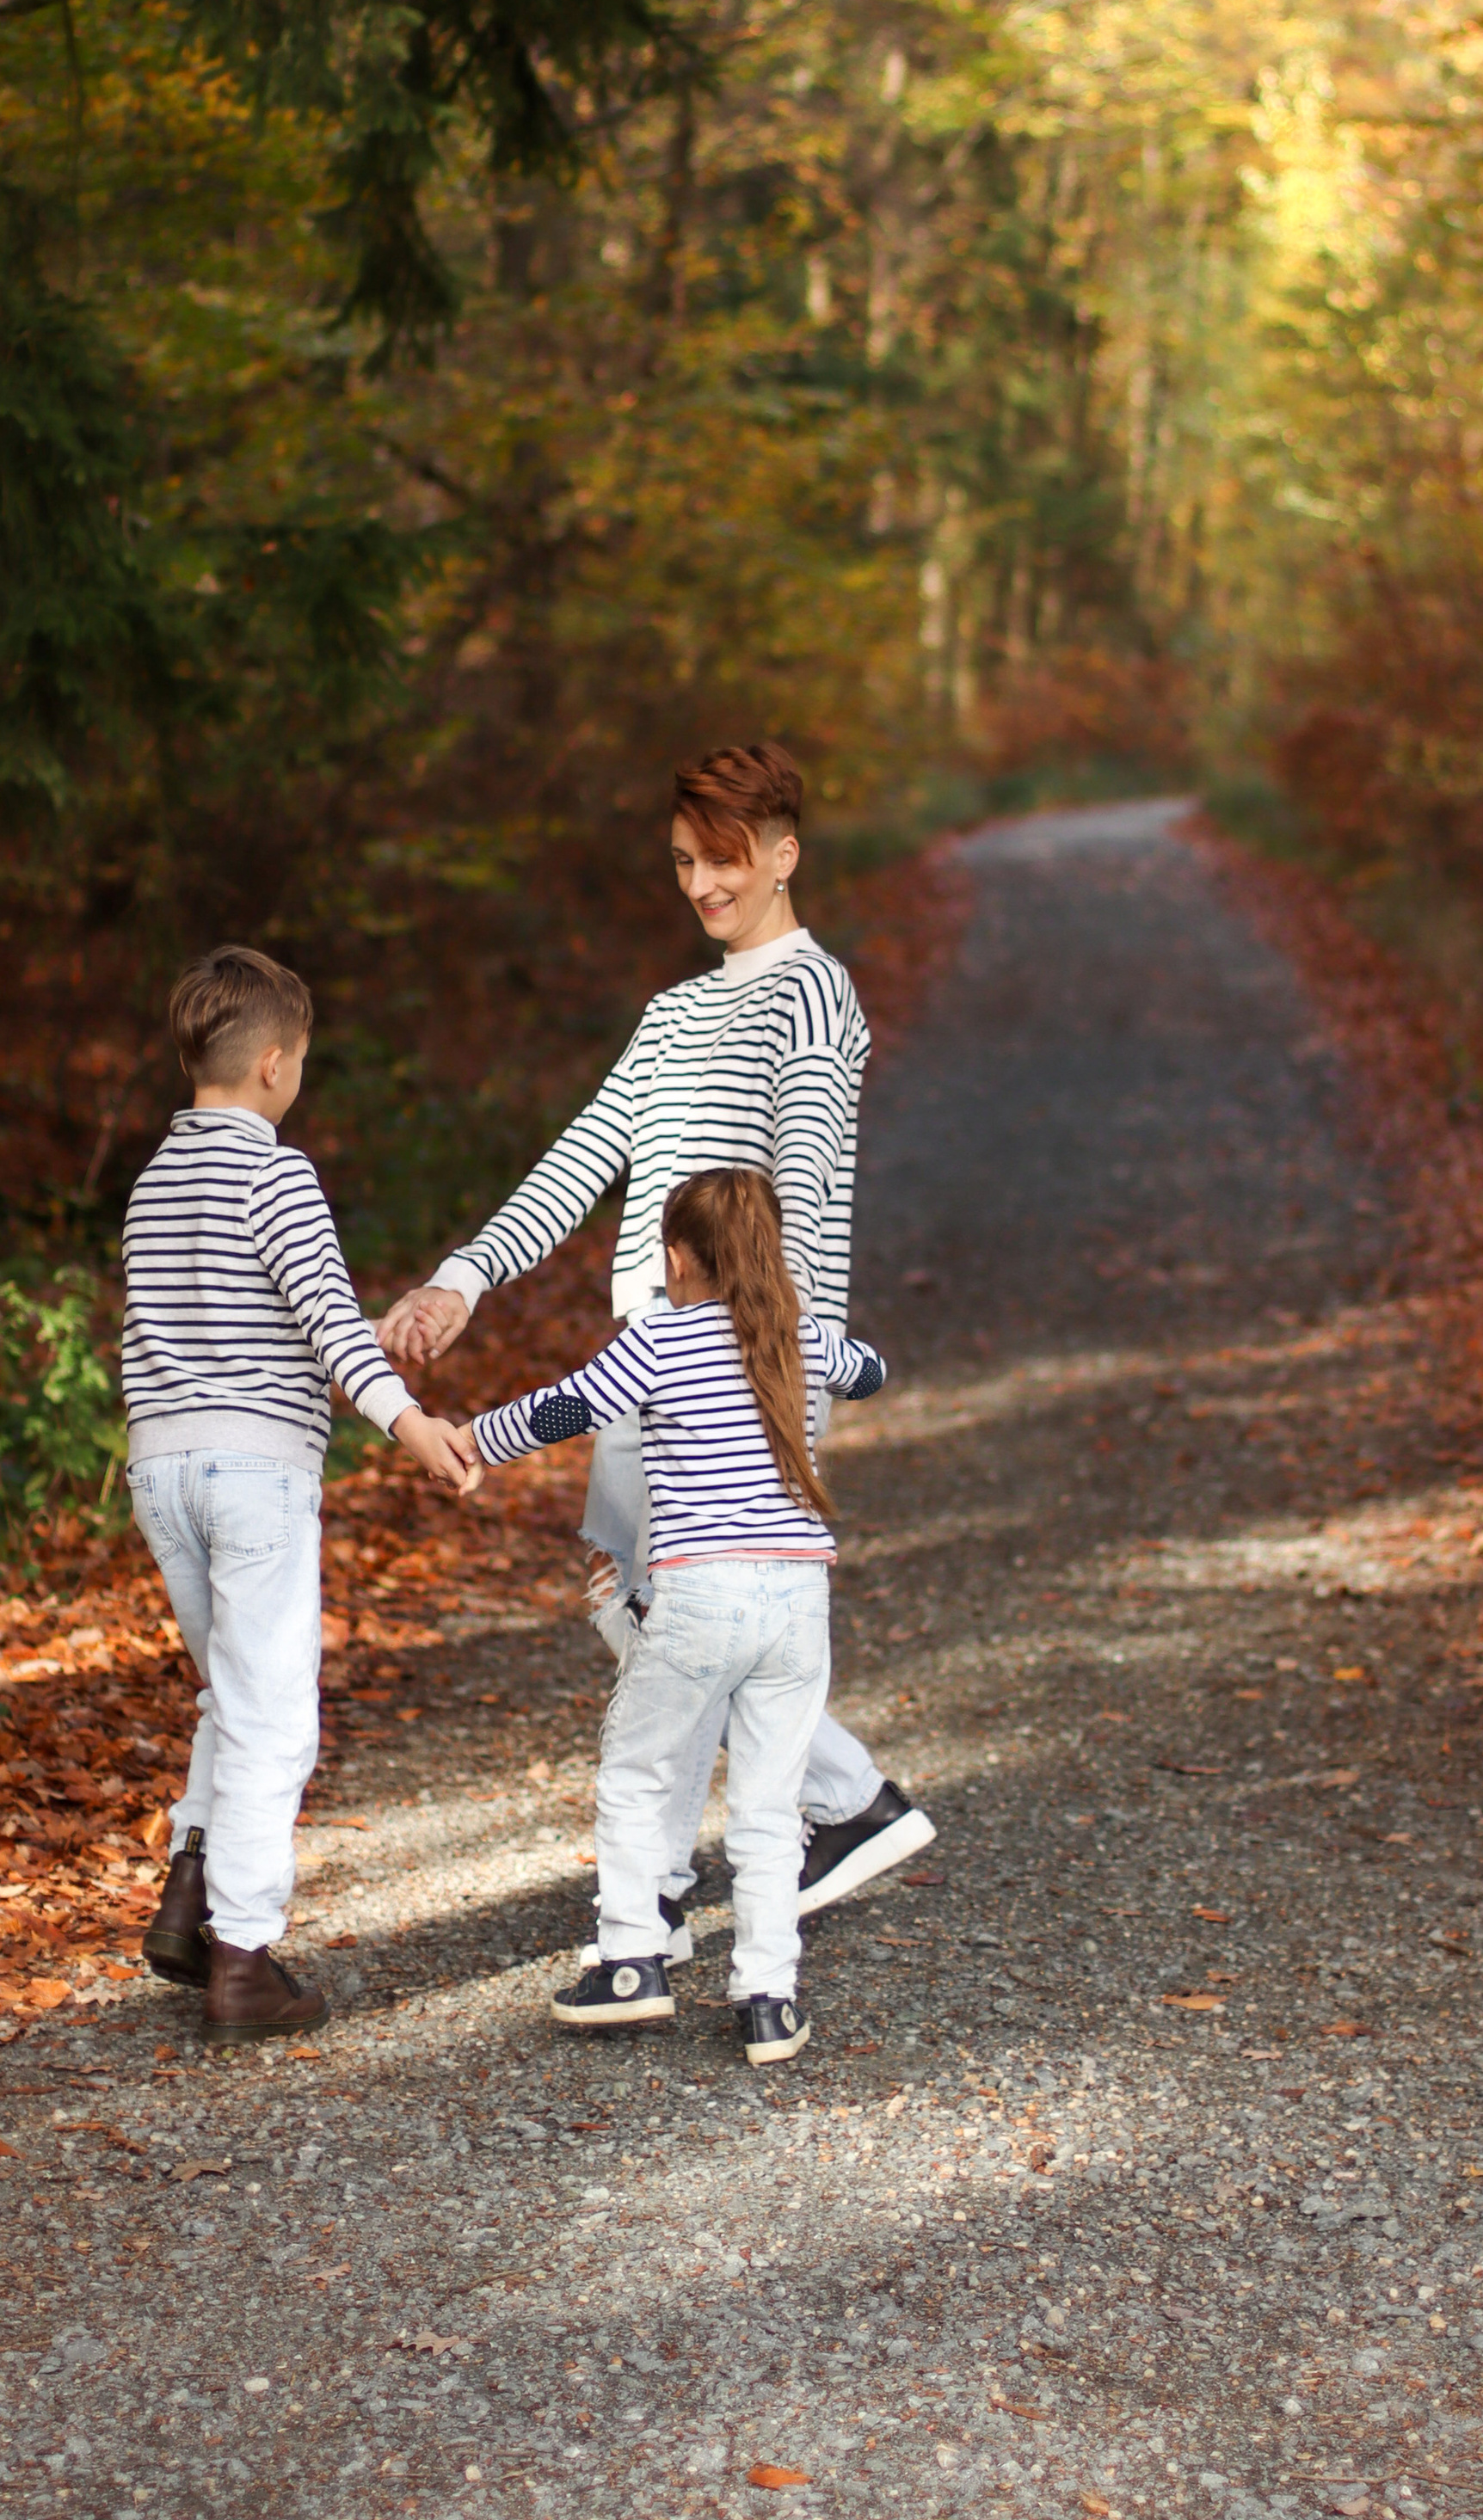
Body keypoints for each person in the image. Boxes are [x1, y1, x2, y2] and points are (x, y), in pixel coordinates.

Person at [376, 741, 932, 1933]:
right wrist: (464, 1278)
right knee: (640, 1606)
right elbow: (583, 1156)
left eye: (723, 859)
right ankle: (814, 1819)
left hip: (748, 1360)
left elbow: (800, 1191)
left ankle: (706, 1873)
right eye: (683, 861)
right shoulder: (674, 1013)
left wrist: (778, 1355)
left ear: (783, 855)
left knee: (668, 1612)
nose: (702, 884)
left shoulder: (812, 994)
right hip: (657, 1352)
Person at [123, 943, 479, 2045]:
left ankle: (189, 1891)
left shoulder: (154, 1179)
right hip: (255, 1477)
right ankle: (243, 1957)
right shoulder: (278, 1175)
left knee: (229, 1695)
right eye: (304, 1060)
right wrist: (411, 1422)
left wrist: (368, 1339)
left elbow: (242, 1328)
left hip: (162, 1470)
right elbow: (320, 1324)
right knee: (274, 1716)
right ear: (276, 1063)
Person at [467, 1169, 885, 2064]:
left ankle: (630, 1962)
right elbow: (871, 1372)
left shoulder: (660, 1338)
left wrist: (469, 1441)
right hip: (797, 1598)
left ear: (673, 1257)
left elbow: (565, 1408)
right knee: (769, 1806)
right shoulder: (800, 1336)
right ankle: (768, 1999)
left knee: (637, 1773)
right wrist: (829, 1347)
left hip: (701, 1594)